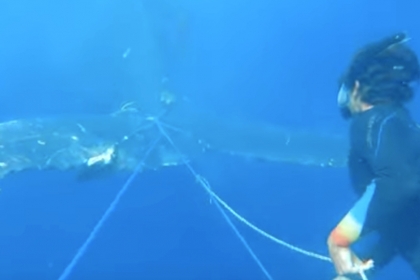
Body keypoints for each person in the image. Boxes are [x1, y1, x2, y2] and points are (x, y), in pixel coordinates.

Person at [326, 32, 420, 279]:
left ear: (356, 87)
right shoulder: (400, 123)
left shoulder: (370, 121)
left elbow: (401, 183)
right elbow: (403, 225)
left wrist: (339, 239)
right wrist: (365, 268)